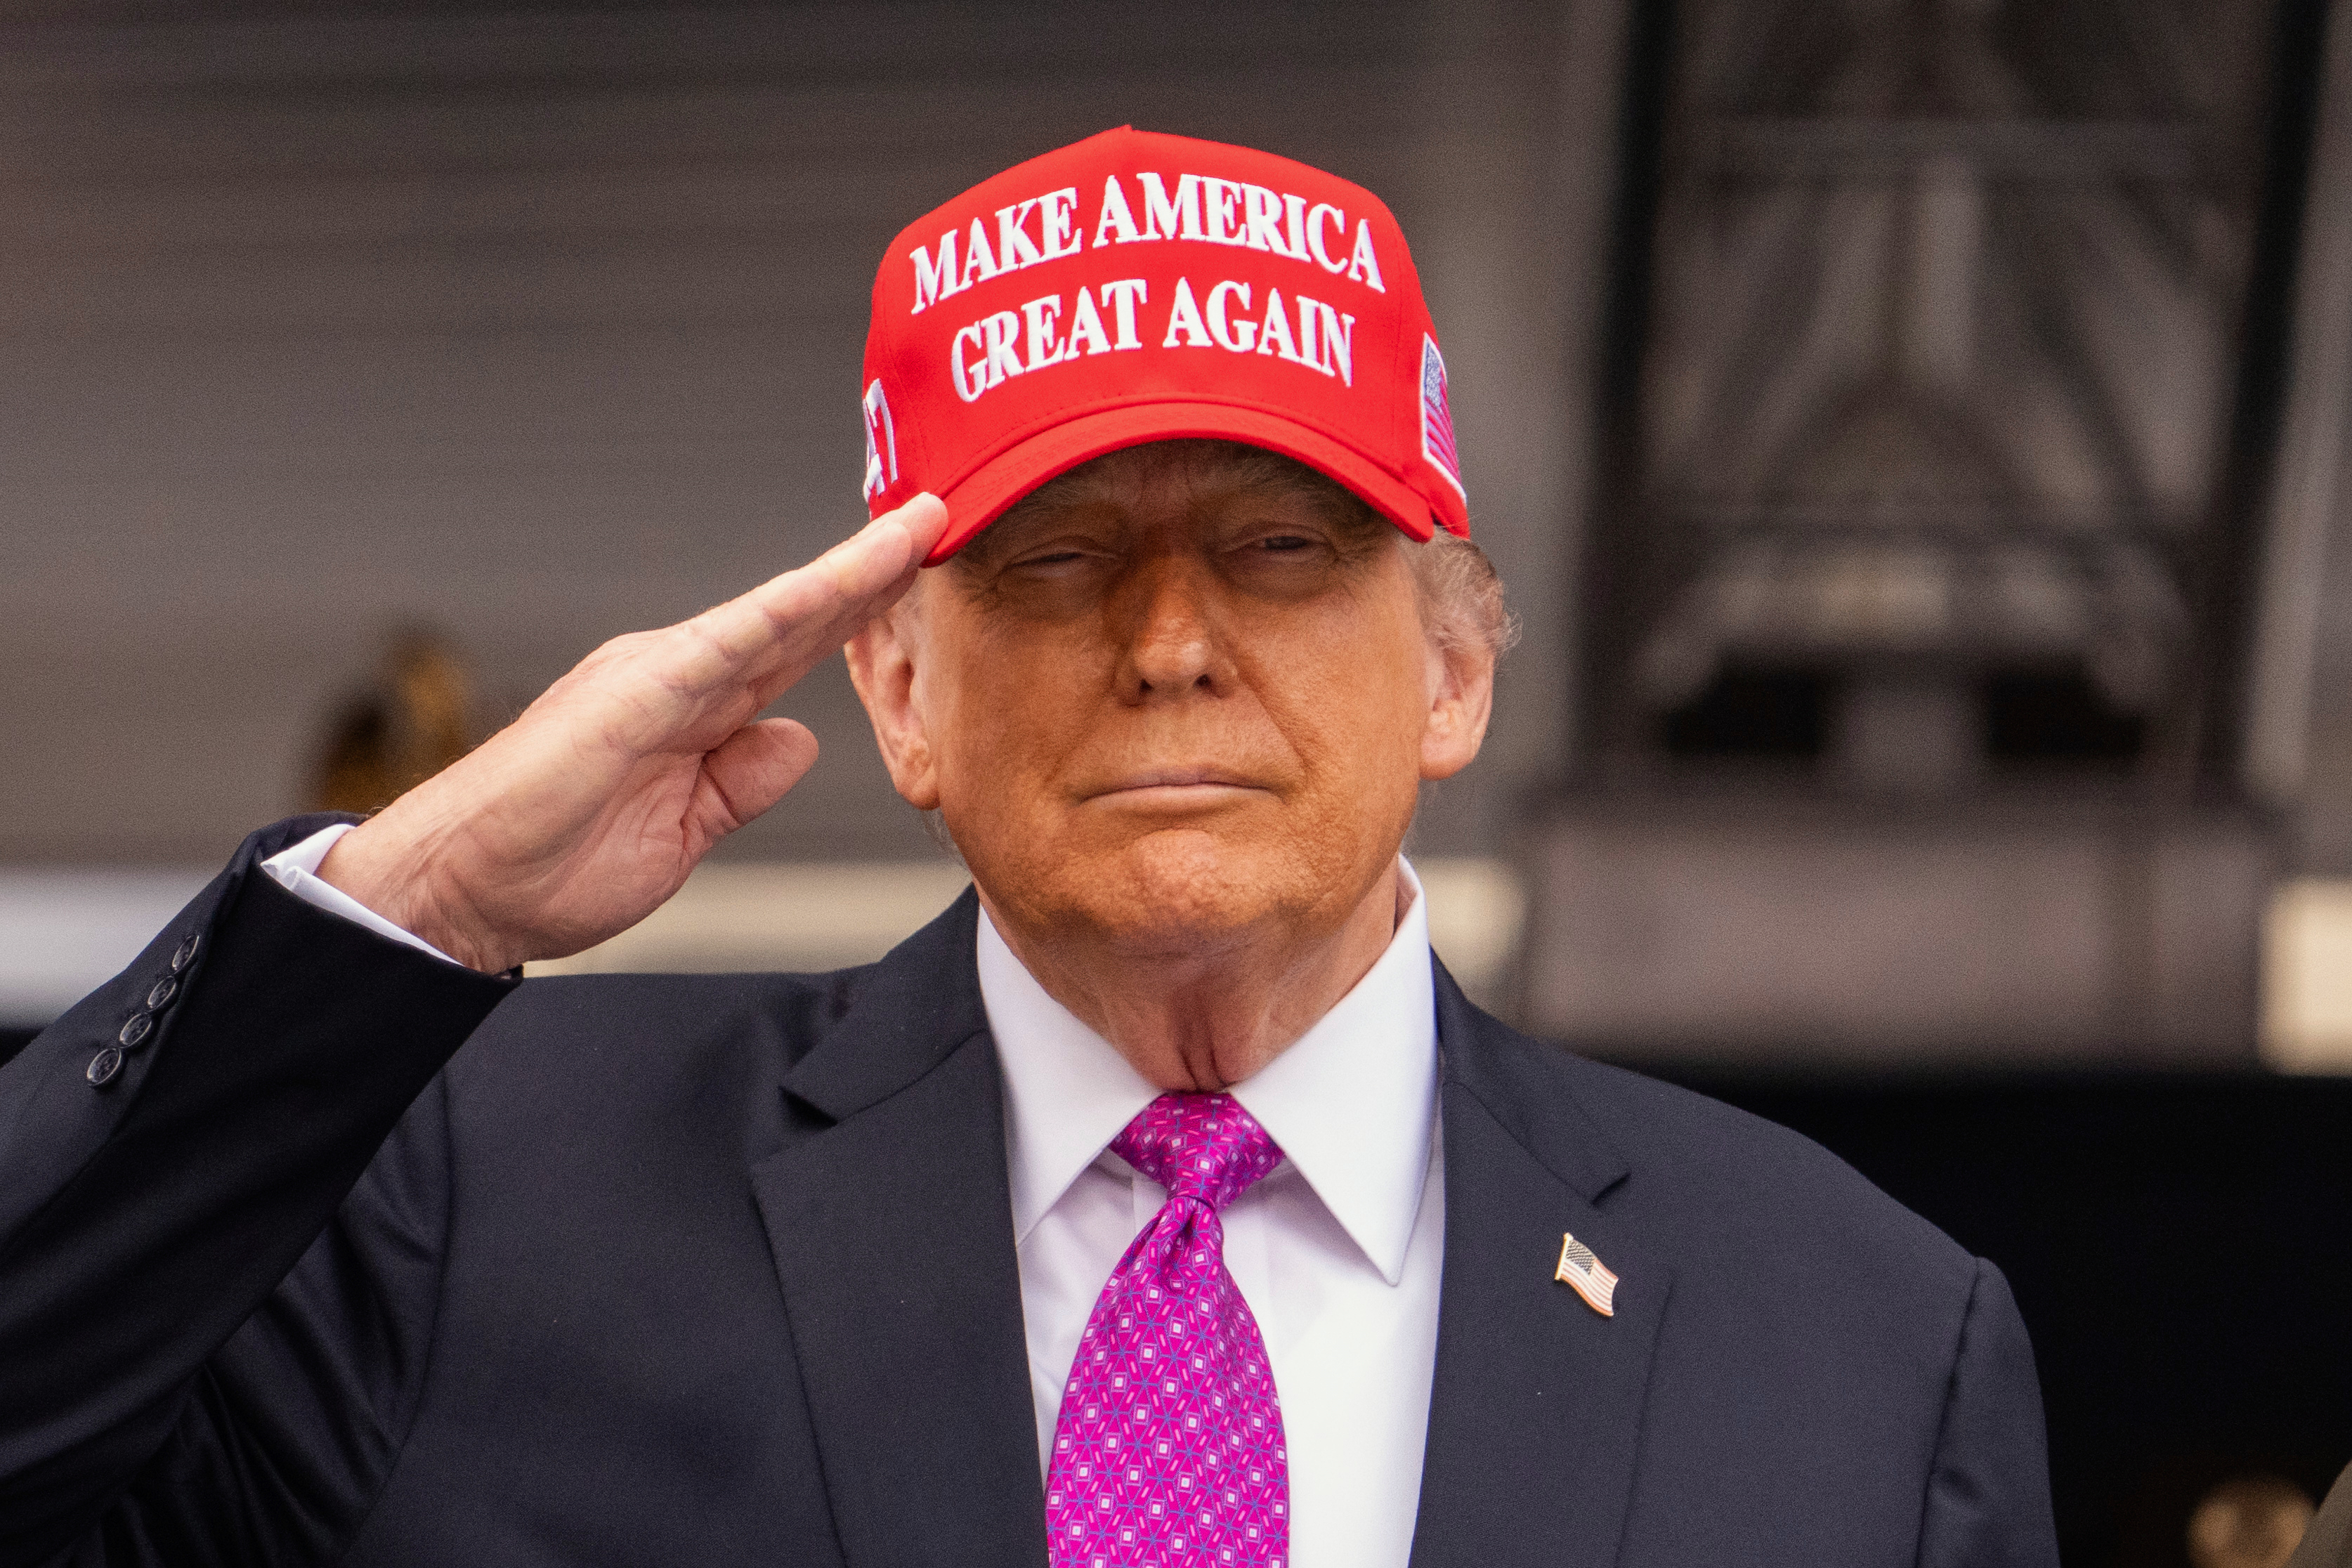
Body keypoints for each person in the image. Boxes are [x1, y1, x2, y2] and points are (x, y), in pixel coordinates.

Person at [0, 127, 2057, 1568]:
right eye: (1058, 560)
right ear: (896, 688)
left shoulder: (1854, 1335)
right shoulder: (461, 1197)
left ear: (1453, 671)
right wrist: (414, 903)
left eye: (1278, 549)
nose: (1168, 644)